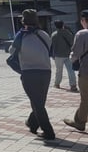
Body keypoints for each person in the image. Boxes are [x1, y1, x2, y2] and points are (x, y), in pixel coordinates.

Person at [11, 9, 55, 140]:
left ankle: (48, 132)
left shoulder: (21, 35)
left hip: (29, 72)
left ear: (23, 21)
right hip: (46, 71)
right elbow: (50, 49)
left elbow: (11, 51)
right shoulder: (44, 34)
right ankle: (32, 123)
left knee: (37, 103)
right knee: (39, 101)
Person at [65, 10, 88, 132]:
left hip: (86, 71)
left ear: (83, 20)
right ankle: (78, 119)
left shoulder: (82, 34)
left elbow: (75, 54)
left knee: (85, 98)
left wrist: (72, 59)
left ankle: (79, 122)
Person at [51, 20, 77, 92]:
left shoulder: (53, 35)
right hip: (68, 54)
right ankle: (73, 85)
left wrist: (53, 55)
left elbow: (53, 46)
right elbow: (72, 43)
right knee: (71, 70)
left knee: (58, 71)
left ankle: (57, 84)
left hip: (58, 55)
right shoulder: (68, 33)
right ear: (63, 25)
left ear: (55, 26)